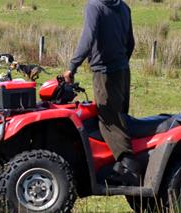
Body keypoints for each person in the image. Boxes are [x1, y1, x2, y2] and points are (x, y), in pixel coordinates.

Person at [64, 0, 139, 185]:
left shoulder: (94, 7)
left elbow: (87, 38)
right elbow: (131, 43)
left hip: (104, 71)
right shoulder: (123, 7)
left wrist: (72, 67)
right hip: (122, 70)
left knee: (108, 118)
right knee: (120, 115)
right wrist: (121, 61)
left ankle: (128, 166)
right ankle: (116, 162)